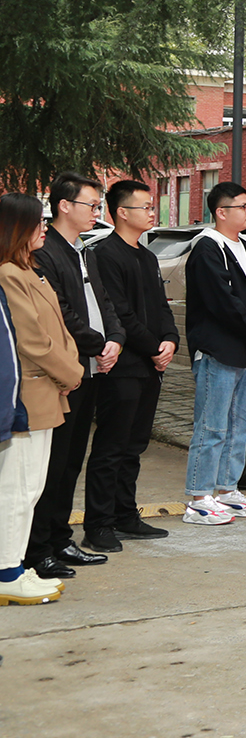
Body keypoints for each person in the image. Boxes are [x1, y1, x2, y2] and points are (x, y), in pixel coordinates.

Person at [27, 173, 123, 578]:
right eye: (91, 205)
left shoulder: (83, 248)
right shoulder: (45, 252)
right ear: (64, 206)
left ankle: (61, 537)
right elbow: (60, 312)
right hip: (66, 372)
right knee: (53, 464)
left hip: (90, 370)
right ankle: (39, 548)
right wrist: (97, 344)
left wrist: (115, 338)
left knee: (71, 463)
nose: (96, 213)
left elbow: (103, 301)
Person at [87, 179, 180, 548]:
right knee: (111, 447)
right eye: (145, 206)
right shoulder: (104, 254)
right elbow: (118, 313)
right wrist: (154, 346)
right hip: (122, 367)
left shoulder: (147, 255)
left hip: (150, 367)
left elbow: (161, 306)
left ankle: (126, 514)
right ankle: (99, 524)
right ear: (122, 212)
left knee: (135, 445)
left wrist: (170, 340)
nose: (151, 212)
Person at [0, 194, 82, 604]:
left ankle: (13, 564)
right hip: (29, 393)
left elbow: (59, 331)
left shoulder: (27, 270)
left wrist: (68, 370)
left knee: (31, 487)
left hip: (48, 389)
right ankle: (7, 572)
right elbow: (32, 339)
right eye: (38, 222)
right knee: (17, 488)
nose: (45, 228)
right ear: (17, 227)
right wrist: (72, 372)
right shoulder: (8, 275)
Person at [182, 182, 246, 526]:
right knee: (211, 427)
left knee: (240, 426)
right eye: (243, 206)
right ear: (221, 212)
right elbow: (221, 302)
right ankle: (198, 498)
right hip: (218, 351)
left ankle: (226, 489)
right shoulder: (208, 248)